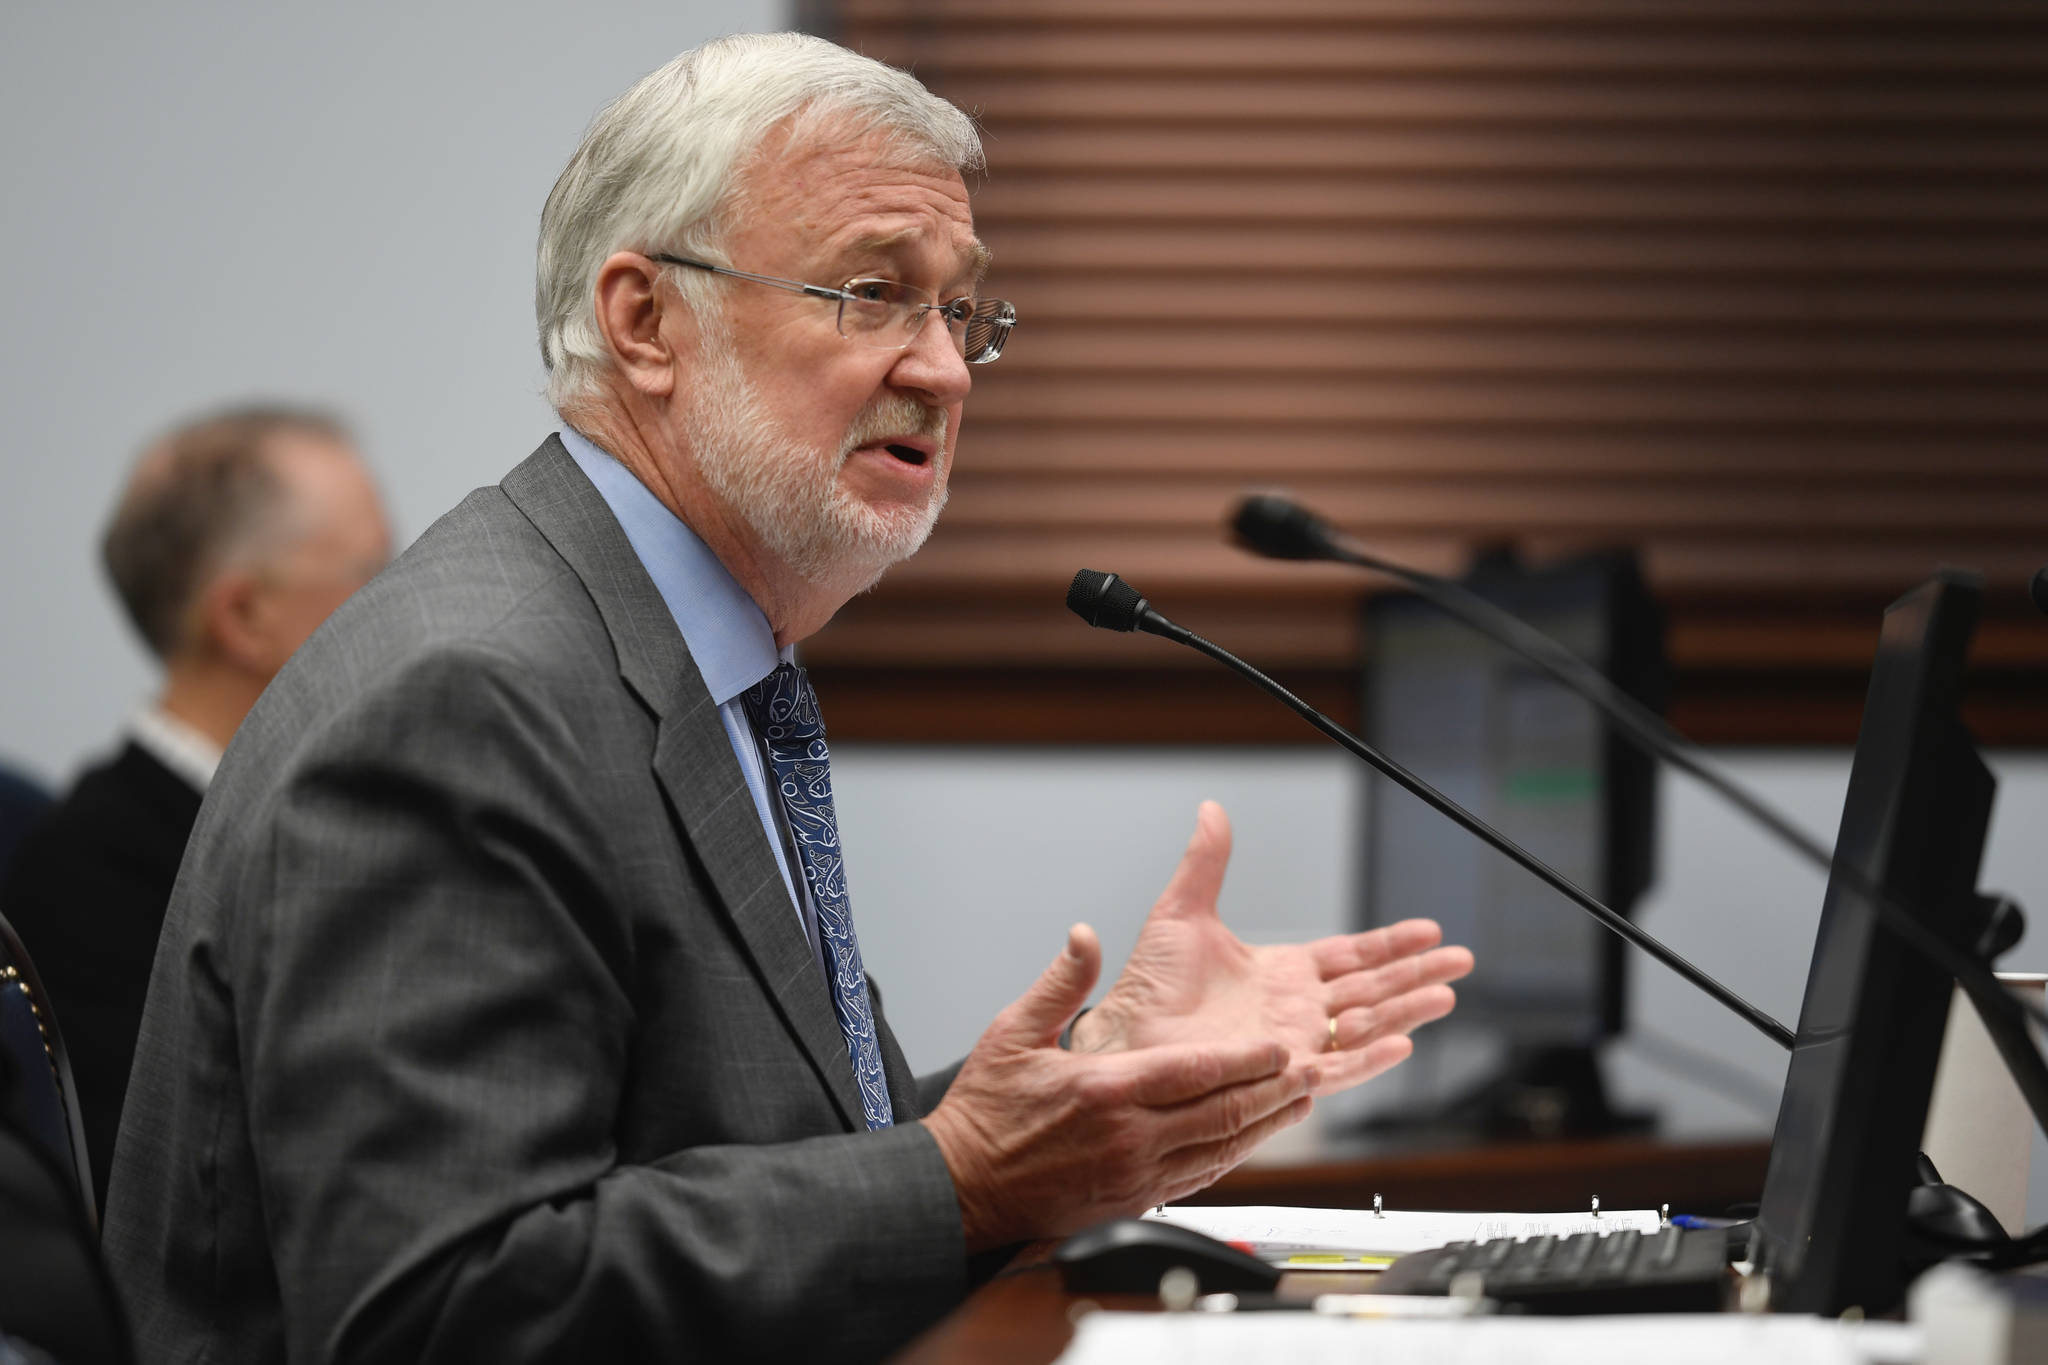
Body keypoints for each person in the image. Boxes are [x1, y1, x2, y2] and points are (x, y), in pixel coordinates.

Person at [104, 34, 1473, 1364]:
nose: (939, 366)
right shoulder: (470, 697)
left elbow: (795, 1160)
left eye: (959, 307)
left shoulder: (697, 657)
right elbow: (448, 1306)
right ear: (647, 322)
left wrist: (1092, 1081)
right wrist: (968, 1179)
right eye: (870, 291)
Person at [2, 407, 390, 1214]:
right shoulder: (80, 885)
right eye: (371, 576)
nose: (410, 607)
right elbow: (162, 1209)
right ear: (242, 616)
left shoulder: (354, 822)